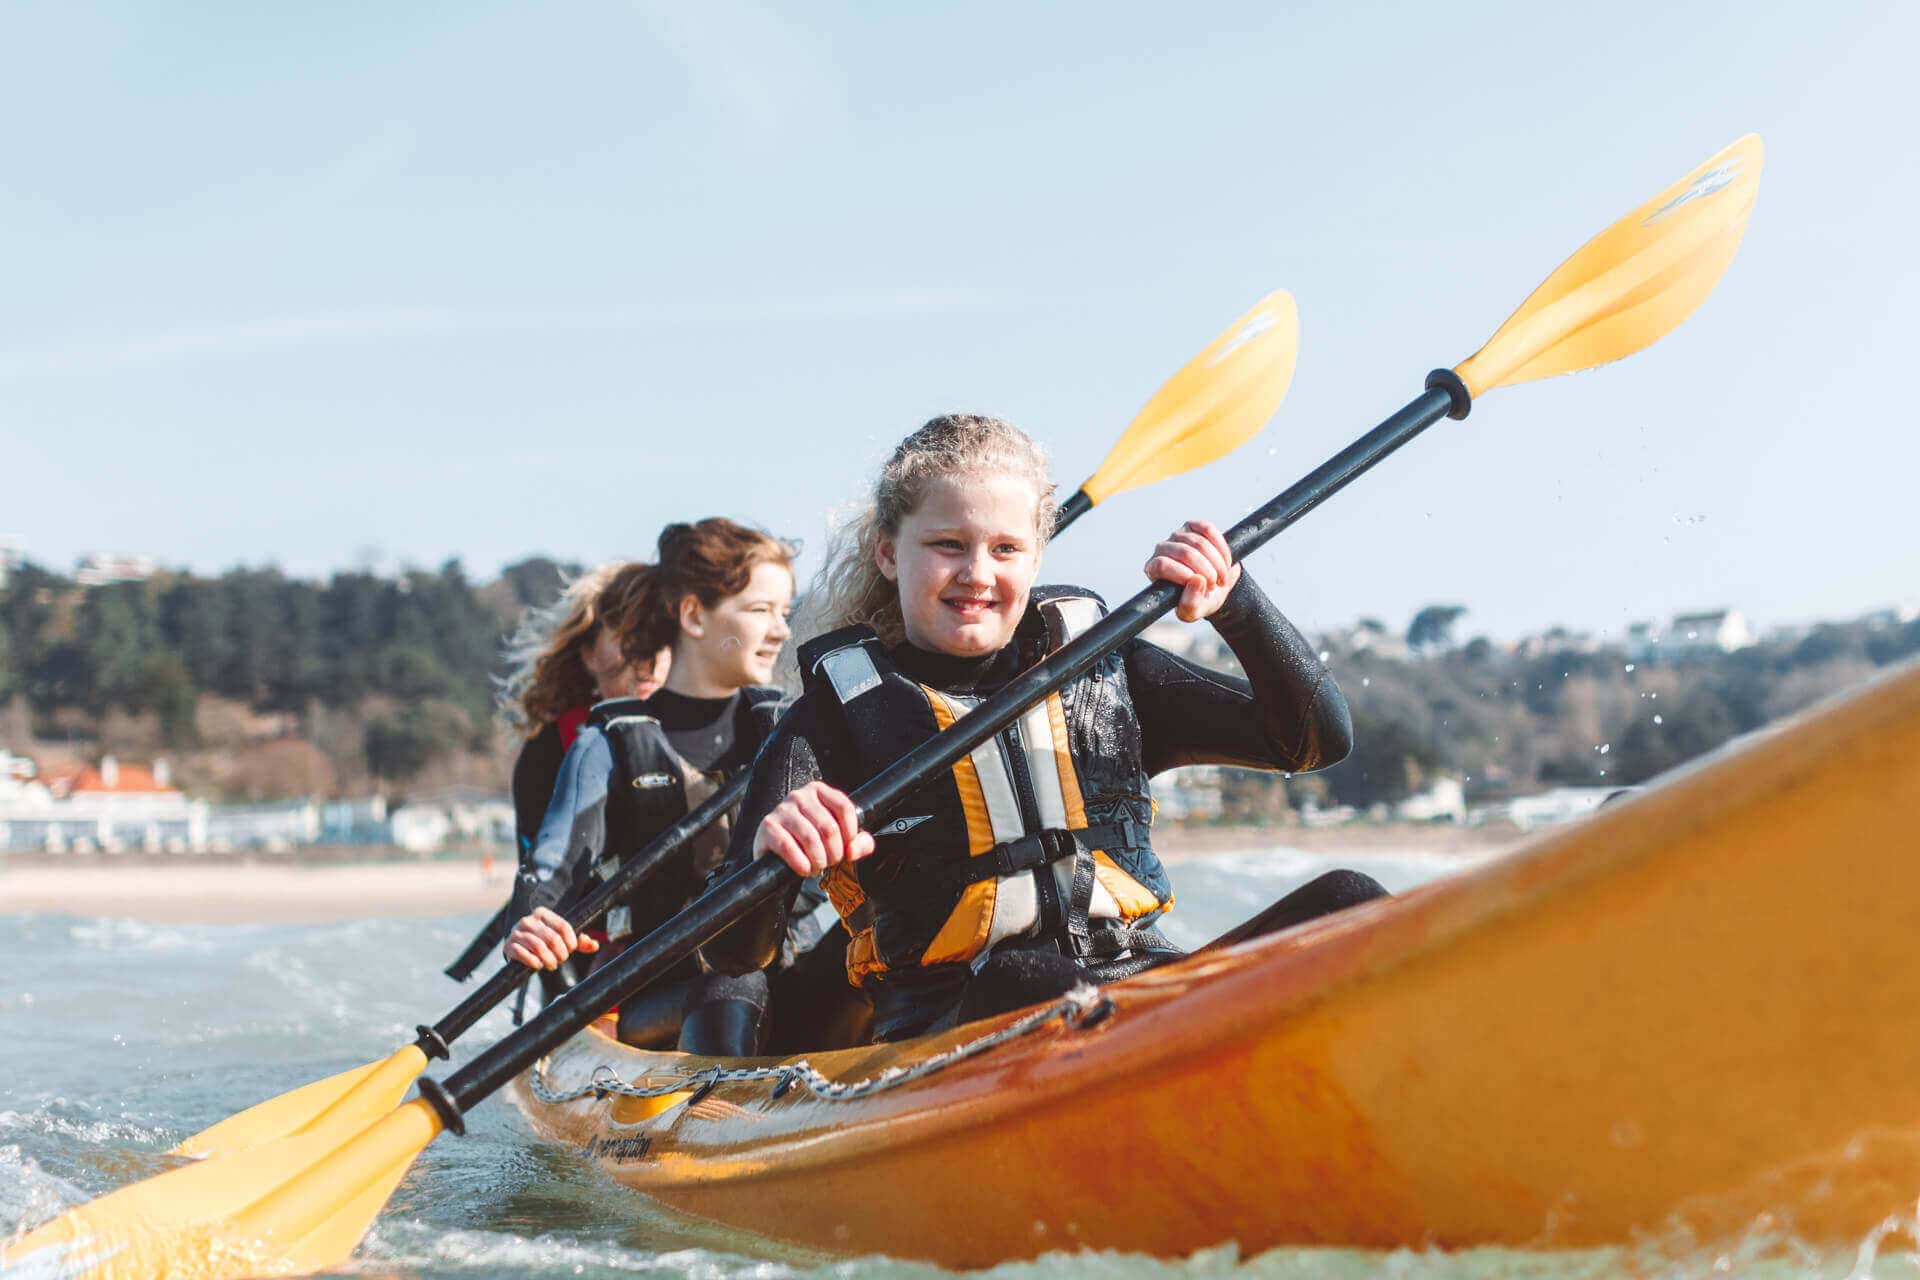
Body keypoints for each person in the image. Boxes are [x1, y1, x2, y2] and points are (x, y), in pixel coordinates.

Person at [702, 414, 1384, 1045]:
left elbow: (1314, 742)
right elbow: (735, 954)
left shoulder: (1102, 668)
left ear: (1036, 557)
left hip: (1147, 990)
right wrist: (774, 853)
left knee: (1350, 899)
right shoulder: (832, 719)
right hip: (956, 1025)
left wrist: (1237, 604)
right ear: (887, 553)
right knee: (1025, 979)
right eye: (948, 546)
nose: (977, 574)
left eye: (1005, 548)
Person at [502, 518, 798, 1053]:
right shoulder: (609, 743)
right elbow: (551, 873)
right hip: (660, 997)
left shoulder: (792, 727)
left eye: (784, 612)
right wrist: (530, 921)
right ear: (692, 615)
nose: (781, 631)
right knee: (732, 982)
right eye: (760, 611)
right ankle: (722, 1126)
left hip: (788, 980)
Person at [444, 562, 669, 999]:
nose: (647, 662)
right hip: (586, 957)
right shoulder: (549, 754)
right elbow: (540, 879)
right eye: (630, 639)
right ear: (588, 655)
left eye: (661, 641)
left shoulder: (712, 736)